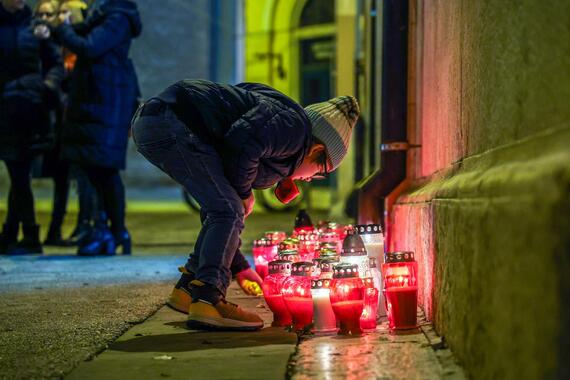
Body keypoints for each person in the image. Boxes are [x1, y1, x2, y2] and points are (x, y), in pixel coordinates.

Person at [131, 79, 359, 331]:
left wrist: (239, 267)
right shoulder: (293, 130)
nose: (308, 179)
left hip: (156, 121)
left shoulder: (282, 124)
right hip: (172, 123)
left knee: (221, 207)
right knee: (228, 208)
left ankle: (187, 289)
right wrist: (242, 192)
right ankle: (208, 299)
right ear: (315, 149)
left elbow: (216, 212)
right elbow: (244, 139)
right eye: (319, 172)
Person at [48, 0, 141, 255]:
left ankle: (114, 231)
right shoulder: (105, 14)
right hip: (95, 101)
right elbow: (84, 33)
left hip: (105, 102)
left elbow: (90, 47)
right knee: (93, 169)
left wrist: (61, 29)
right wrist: (65, 27)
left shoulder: (119, 17)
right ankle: (104, 231)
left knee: (104, 169)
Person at [0, 0, 63, 254]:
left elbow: (55, 63)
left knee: (19, 171)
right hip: (4, 110)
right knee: (18, 173)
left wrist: (47, 86)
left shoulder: (36, 27)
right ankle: (17, 233)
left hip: (30, 110)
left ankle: (25, 234)